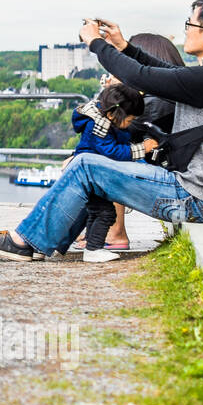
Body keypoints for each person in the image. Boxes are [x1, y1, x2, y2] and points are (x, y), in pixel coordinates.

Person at [0, 0, 203, 261]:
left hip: (195, 199)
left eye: (191, 23)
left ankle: (23, 243)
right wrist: (123, 46)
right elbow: (165, 72)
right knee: (93, 162)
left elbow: (141, 77)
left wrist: (95, 43)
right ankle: (39, 240)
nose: (186, 29)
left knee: (87, 164)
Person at [74, 31, 185, 249]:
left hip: (163, 168)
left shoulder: (155, 102)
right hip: (162, 162)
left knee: (105, 160)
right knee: (92, 158)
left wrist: (113, 96)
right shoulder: (162, 96)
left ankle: (115, 233)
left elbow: (118, 133)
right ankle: (91, 229)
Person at [68, 83, 158, 262]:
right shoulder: (99, 126)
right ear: (114, 114)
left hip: (92, 176)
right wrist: (143, 149)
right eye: (130, 120)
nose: (129, 125)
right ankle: (93, 250)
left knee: (97, 213)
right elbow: (112, 152)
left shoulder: (105, 119)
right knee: (105, 213)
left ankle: (92, 247)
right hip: (91, 177)